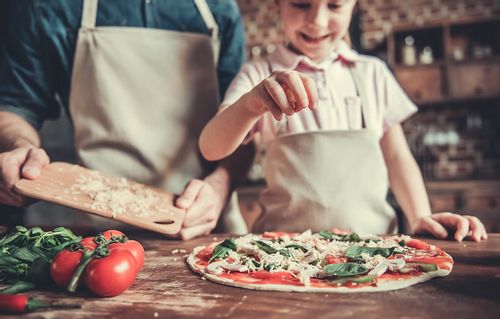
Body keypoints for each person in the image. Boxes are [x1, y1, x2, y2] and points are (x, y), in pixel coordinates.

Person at [199, 0, 488, 241]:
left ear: (354, 6)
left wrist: (421, 217)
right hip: (283, 253)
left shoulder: (373, 73)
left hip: (373, 250)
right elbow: (211, 147)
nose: (317, 21)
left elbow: (398, 157)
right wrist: (251, 104)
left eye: (335, 5)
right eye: (301, 4)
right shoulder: (258, 74)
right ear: (278, 5)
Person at [0, 0, 254, 239]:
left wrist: (220, 187)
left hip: (201, 225)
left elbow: (245, 129)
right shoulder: (49, 6)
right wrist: (20, 147)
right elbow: (16, 107)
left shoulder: (219, 8)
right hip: (100, 231)